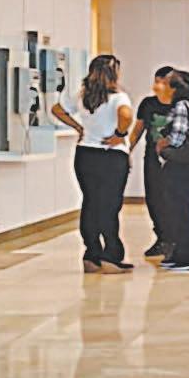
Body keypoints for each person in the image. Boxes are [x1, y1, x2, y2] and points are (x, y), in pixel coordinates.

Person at [50, 54, 135, 274]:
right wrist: (120, 134)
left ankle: (92, 254)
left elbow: (57, 109)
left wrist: (79, 128)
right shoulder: (118, 97)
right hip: (111, 155)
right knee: (109, 206)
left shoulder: (83, 96)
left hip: (85, 154)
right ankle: (111, 255)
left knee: (90, 203)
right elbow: (126, 115)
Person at [157, 70, 189, 273]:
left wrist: (163, 144)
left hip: (181, 167)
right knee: (181, 211)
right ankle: (180, 255)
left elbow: (177, 137)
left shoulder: (180, 106)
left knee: (181, 212)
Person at [130, 66, 177, 260]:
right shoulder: (148, 104)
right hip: (152, 158)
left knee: (171, 199)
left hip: (174, 160)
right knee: (153, 199)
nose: (158, 86)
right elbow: (138, 130)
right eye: (156, 81)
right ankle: (162, 238)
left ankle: (174, 239)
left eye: (162, 82)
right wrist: (127, 150)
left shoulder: (180, 105)